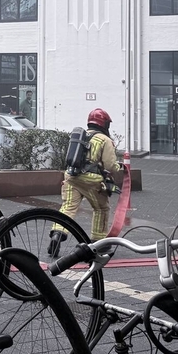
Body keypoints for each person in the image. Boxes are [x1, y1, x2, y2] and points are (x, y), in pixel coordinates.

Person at [50, 108, 121, 254]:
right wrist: (119, 167)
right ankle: (99, 242)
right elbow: (109, 165)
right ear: (104, 124)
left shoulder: (80, 137)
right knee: (101, 209)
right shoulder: (105, 140)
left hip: (71, 177)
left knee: (68, 207)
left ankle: (57, 234)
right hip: (91, 181)